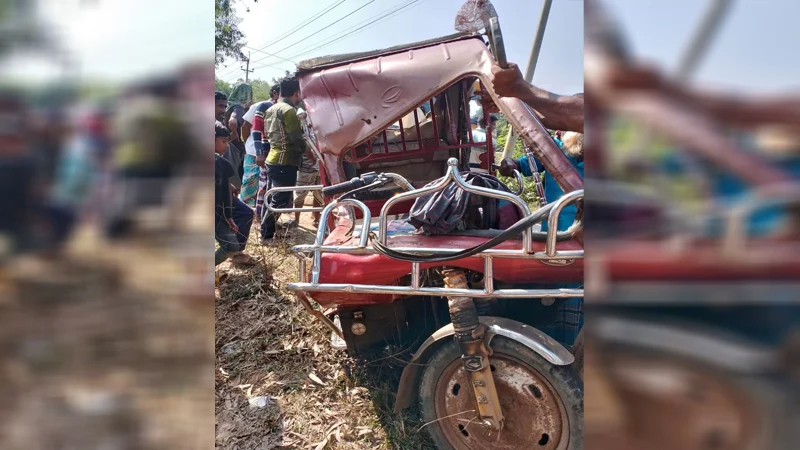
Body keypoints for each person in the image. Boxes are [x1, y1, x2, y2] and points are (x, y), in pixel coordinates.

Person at [260, 77, 306, 244]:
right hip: (284, 161)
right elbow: (296, 139)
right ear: (296, 93)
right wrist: (306, 151)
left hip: (273, 159)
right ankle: (266, 236)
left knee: (271, 197)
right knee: (279, 199)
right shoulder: (289, 111)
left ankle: (267, 232)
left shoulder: (271, 109)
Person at [241, 84, 280, 212]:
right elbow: (245, 126)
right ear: (274, 93)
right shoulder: (260, 106)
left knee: (264, 186)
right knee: (250, 183)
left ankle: (259, 213)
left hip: (271, 152)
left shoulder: (281, 108)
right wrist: (247, 143)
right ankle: (246, 212)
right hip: (254, 151)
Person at [215, 122, 241, 267]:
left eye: (227, 141)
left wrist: (229, 215)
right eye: (223, 141)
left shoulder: (223, 164)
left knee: (232, 246)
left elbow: (226, 192)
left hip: (217, 216)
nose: (226, 145)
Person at [224, 82, 253, 183]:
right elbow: (232, 121)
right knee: (234, 177)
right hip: (235, 148)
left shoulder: (230, 106)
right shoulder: (238, 108)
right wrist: (235, 133)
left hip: (229, 145)